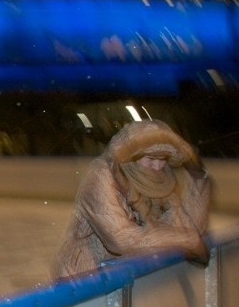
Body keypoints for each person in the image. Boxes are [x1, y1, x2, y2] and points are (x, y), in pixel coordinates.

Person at [51, 119, 210, 279]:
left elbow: (189, 227)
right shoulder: (101, 174)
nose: (157, 167)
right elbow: (121, 240)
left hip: (122, 277)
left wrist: (198, 178)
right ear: (131, 156)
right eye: (151, 159)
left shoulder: (161, 182)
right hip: (82, 280)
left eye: (162, 159)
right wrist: (187, 241)